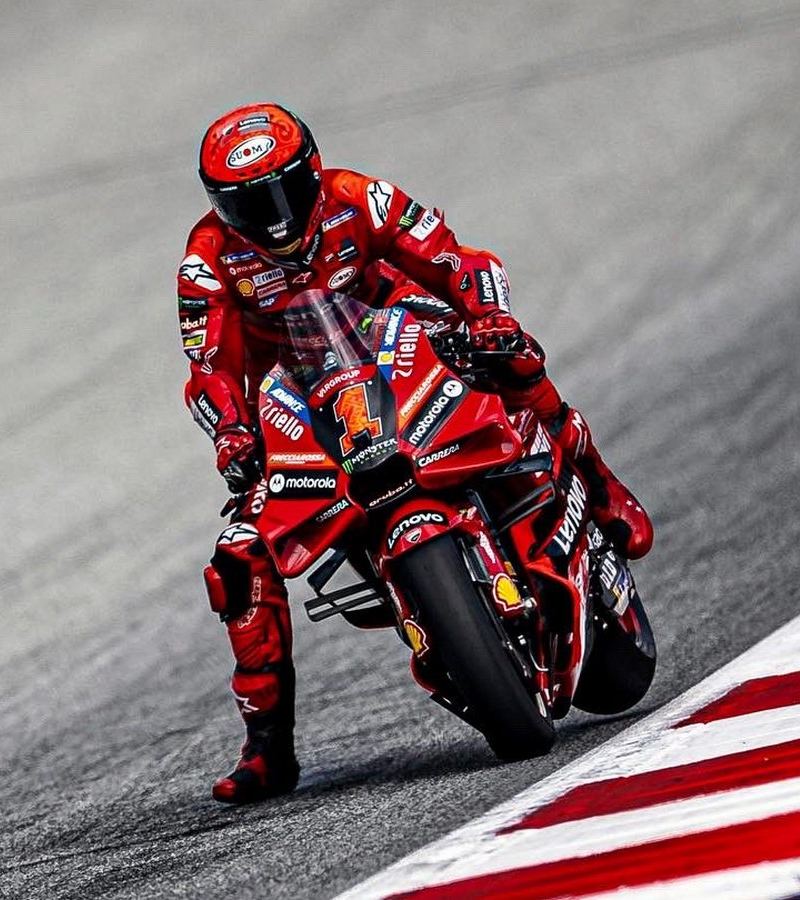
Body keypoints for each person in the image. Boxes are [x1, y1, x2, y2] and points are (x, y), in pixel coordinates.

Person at [176, 102, 654, 803]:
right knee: (238, 559)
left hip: (401, 334)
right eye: (249, 202)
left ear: (309, 170)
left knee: (512, 357)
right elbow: (208, 369)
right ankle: (268, 748)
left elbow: (456, 259)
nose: (273, 216)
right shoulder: (207, 259)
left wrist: (484, 316)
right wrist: (233, 435)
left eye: (282, 191)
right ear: (221, 204)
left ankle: (602, 486)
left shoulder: (356, 197)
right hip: (300, 402)